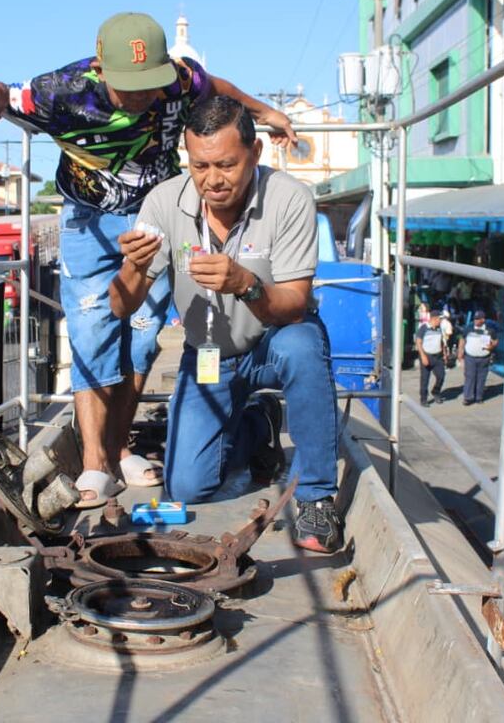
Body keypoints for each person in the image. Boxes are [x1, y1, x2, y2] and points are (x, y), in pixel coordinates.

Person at [0, 12, 297, 508]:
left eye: (151, 84)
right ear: (101, 67)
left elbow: (216, 89)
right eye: (131, 87)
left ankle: (119, 450)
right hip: (90, 218)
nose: (144, 96)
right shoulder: (62, 90)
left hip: (157, 214)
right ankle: (96, 463)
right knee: (93, 331)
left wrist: (265, 112)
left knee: (143, 336)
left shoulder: (174, 79)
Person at [109, 96, 343, 553]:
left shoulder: (289, 198)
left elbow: (296, 304)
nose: (212, 180)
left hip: (273, 341)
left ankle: (317, 497)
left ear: (254, 155)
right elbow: (120, 306)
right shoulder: (163, 203)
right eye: (200, 166)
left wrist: (246, 284)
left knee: (303, 344)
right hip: (211, 352)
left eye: (226, 165)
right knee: (187, 487)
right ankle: (258, 426)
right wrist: (132, 269)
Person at [458, 310, 498, 405]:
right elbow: (462, 339)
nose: (476, 321)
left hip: (484, 358)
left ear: (483, 319)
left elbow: (496, 341)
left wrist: (492, 346)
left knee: (481, 378)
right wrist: (460, 352)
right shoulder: (469, 328)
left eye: (478, 319)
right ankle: (467, 397)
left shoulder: (489, 330)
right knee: (470, 377)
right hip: (470, 357)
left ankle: (479, 397)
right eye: (475, 319)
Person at [415, 311, 447, 406]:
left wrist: (444, 353)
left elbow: (442, 341)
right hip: (426, 355)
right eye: (439, 319)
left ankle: (436, 392)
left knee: (441, 376)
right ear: (434, 318)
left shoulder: (439, 328)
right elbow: (418, 342)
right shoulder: (423, 328)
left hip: (438, 356)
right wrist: (423, 356)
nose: (440, 321)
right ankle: (424, 399)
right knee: (425, 379)